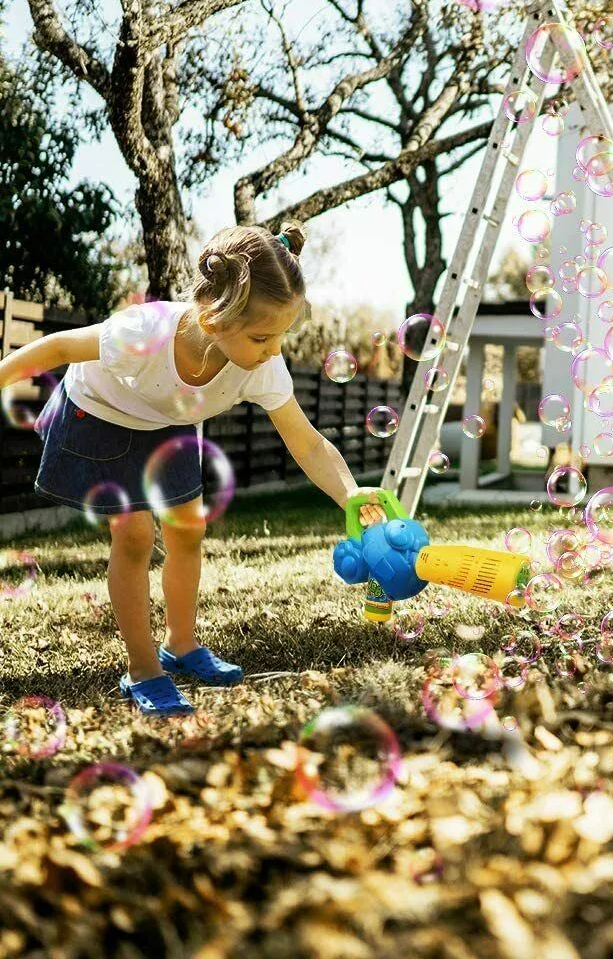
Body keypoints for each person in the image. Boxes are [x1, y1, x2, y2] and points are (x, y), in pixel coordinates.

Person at [0, 222, 387, 716]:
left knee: (187, 531)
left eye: (281, 337)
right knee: (136, 536)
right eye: (263, 337)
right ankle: (143, 670)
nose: (274, 351)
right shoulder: (143, 333)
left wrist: (350, 491)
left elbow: (307, 443)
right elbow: (55, 349)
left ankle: (180, 645)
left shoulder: (262, 363)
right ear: (213, 318)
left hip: (171, 421)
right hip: (102, 415)